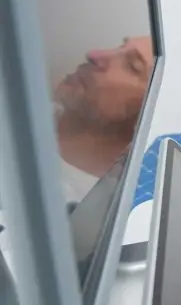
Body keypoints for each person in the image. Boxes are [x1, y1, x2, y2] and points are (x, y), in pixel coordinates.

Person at [53, 35, 154, 202]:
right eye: (118, 47)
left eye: (132, 66)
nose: (94, 54)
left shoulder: (87, 216)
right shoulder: (13, 113)